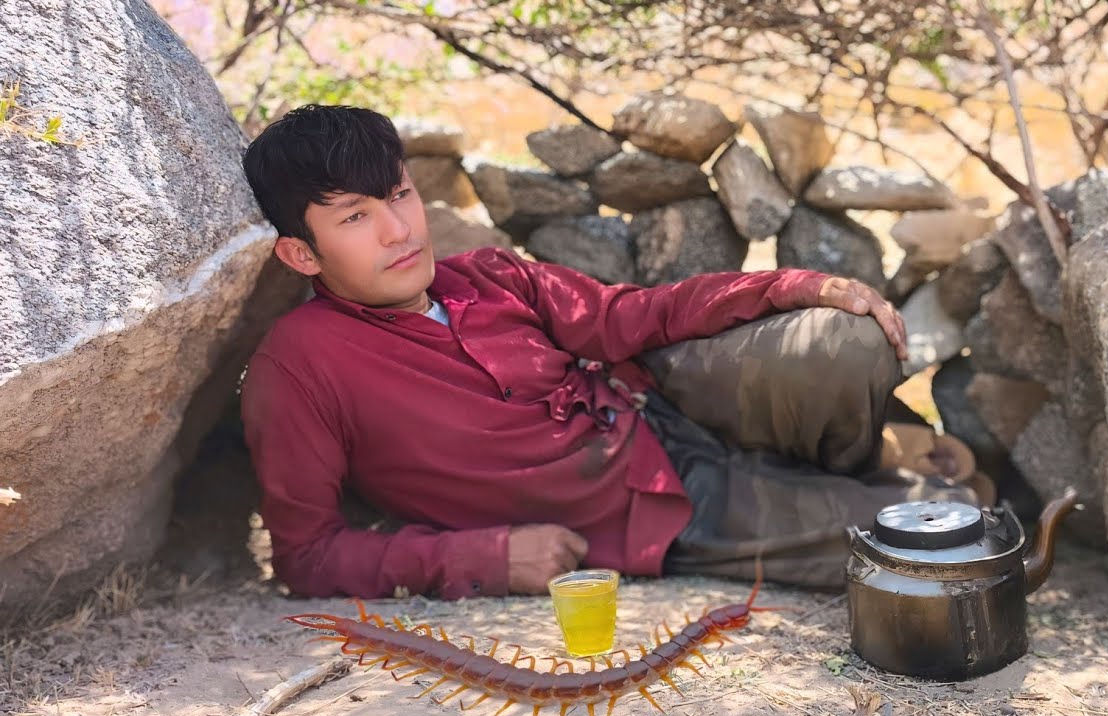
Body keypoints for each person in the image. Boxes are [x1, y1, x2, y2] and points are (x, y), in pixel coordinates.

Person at [239, 104, 981, 602]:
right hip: (651, 513)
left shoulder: (487, 276)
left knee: (843, 341)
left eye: (398, 196)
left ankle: (853, 461)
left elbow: (634, 315)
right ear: (301, 255)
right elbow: (306, 556)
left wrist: (797, 284)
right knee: (955, 537)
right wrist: (486, 558)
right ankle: (864, 480)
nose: (400, 231)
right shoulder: (301, 366)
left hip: (663, 404)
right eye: (357, 217)